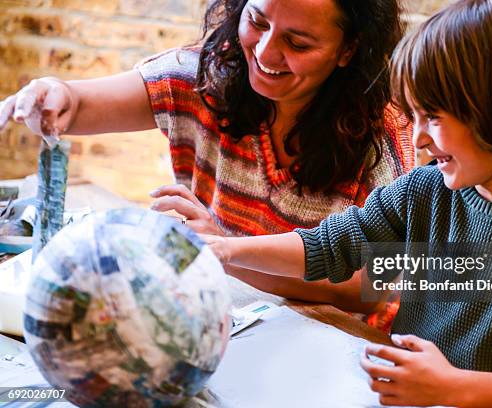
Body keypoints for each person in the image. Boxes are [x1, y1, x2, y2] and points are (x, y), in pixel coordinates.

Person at [201, 0, 492, 406]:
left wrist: (452, 386)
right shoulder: (424, 191)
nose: (418, 140)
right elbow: (329, 246)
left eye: (433, 117)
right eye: (413, 116)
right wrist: (226, 250)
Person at [0, 0, 413, 321]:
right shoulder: (206, 74)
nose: (266, 52)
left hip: (333, 341)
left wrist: (228, 250)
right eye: (258, 21)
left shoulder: (384, 135)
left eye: (298, 43)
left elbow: (369, 285)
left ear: (348, 50)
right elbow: (80, 104)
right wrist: (55, 94)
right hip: (224, 308)